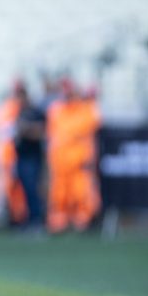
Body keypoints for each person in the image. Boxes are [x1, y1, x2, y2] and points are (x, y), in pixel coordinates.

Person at [46, 79, 101, 233]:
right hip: (60, 162)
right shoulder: (56, 110)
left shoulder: (85, 110)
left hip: (79, 161)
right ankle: (59, 223)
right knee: (59, 194)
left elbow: (92, 123)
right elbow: (53, 136)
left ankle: (83, 221)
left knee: (81, 193)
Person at [12, 83, 46, 231]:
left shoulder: (36, 112)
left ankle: (36, 221)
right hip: (21, 157)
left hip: (32, 158)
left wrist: (26, 129)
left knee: (33, 190)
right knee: (25, 191)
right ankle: (28, 220)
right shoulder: (20, 112)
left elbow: (42, 132)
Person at [0, 82, 28, 226]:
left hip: (6, 155)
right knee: (13, 188)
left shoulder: (5, 108)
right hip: (10, 155)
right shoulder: (13, 109)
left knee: (11, 188)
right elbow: (11, 131)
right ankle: (15, 218)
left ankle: (15, 217)